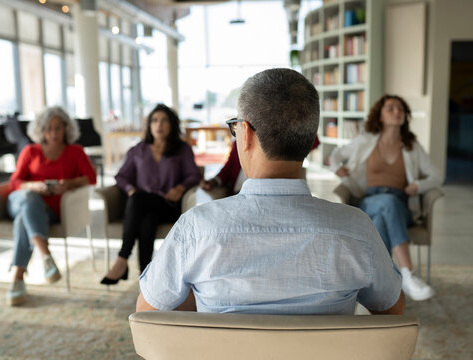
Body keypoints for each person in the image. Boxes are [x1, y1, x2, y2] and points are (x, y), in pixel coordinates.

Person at [136, 69, 404, 315]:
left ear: (246, 134)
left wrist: (204, 295)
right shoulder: (357, 230)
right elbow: (392, 312)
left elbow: (148, 315)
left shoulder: (196, 229)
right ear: (310, 136)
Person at [329, 94, 443, 301]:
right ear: (380, 115)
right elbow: (336, 154)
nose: (396, 112)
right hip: (369, 200)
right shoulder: (365, 140)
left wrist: (418, 185)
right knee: (385, 204)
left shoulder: (411, 146)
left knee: (383, 217)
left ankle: (379, 284)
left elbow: (436, 176)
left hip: (401, 204)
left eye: (400, 108)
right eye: (390, 108)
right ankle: (408, 273)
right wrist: (338, 168)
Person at [100, 104, 202, 285]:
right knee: (147, 219)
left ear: (172, 124)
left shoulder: (182, 149)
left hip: (169, 205)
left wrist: (179, 188)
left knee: (139, 200)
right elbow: (121, 176)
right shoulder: (138, 150)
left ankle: (123, 258)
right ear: (149, 125)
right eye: (154, 120)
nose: (158, 125)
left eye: (164, 120)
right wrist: (131, 190)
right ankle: (145, 279)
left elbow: (194, 174)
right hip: (142, 207)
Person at [6, 107, 97, 306]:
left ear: (66, 128)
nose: (53, 133)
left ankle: (18, 277)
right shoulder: (30, 151)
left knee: (25, 219)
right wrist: (34, 186)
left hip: (49, 212)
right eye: (48, 129)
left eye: (58, 128)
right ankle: (45, 254)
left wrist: (69, 184)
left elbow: (91, 178)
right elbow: (15, 183)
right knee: (29, 199)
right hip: (19, 201)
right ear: (41, 130)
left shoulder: (76, 152)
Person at [200, 136, 320, 195]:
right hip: (238, 194)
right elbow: (228, 168)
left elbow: (314, 140)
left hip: (273, 195)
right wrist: (214, 181)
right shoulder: (239, 142)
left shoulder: (284, 141)